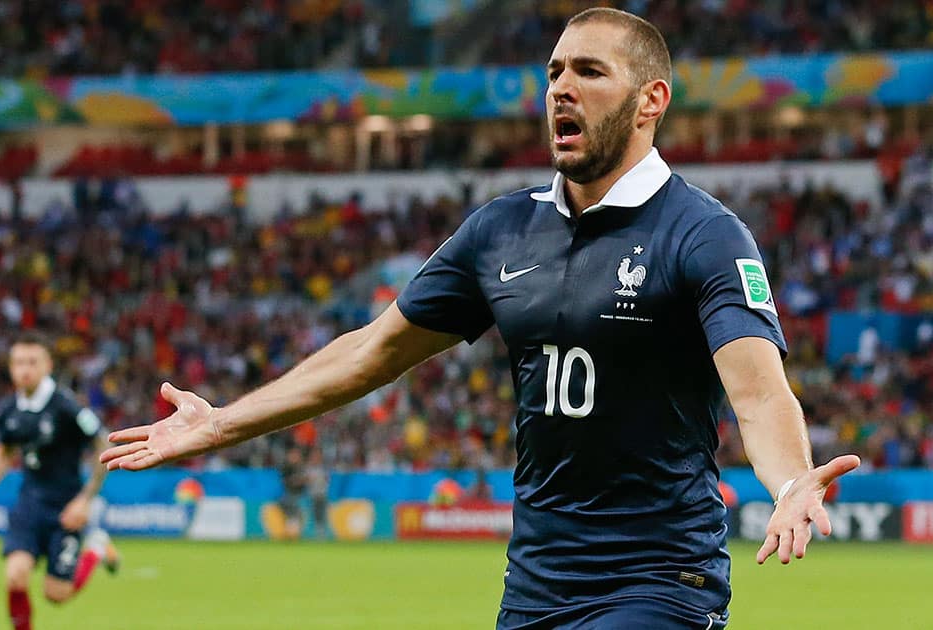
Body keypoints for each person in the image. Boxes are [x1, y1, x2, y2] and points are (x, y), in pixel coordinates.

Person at [100, 8, 860, 629]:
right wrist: (223, 422)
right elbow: (371, 352)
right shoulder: (500, 232)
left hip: (659, 580)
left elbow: (758, 392)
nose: (562, 88)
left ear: (650, 101)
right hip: (534, 585)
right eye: (555, 72)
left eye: (590, 72)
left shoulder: (702, 234)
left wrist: (792, 478)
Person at [0, 332, 119, 630]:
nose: (24, 369)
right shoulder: (10, 410)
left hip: (66, 508)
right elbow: (5, 450)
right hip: (30, 503)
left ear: (47, 365)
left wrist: (85, 501)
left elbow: (104, 446)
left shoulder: (66, 407)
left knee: (56, 594)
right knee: (15, 575)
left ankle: (95, 549)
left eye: (32, 362)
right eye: (19, 362)